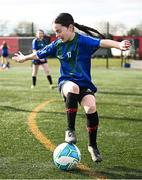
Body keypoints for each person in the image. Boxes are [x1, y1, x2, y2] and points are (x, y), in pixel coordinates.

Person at [12, 13, 131, 163]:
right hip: (67, 83)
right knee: (73, 88)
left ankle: (92, 146)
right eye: (55, 31)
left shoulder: (83, 41)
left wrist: (119, 45)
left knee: (91, 107)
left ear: (70, 28)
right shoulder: (57, 44)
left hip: (85, 84)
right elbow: (39, 53)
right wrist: (24, 58)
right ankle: (70, 130)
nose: (57, 35)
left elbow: (102, 42)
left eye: (59, 31)